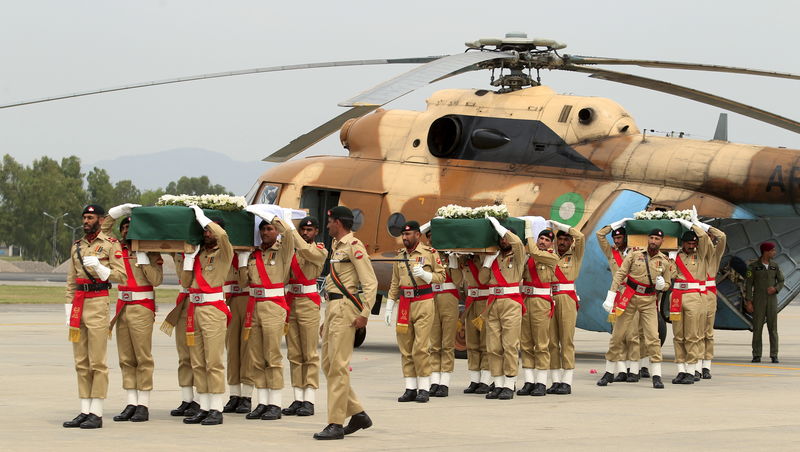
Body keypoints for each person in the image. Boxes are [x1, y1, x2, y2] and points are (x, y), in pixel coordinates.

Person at [314, 206, 377, 440]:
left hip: (346, 310)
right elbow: (332, 282)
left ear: (338, 222)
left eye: (329, 222)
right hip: (333, 309)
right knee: (329, 365)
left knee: (338, 367)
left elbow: (369, 282)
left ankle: (335, 423)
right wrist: (326, 318)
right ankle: (357, 413)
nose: (327, 225)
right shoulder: (336, 247)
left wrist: (365, 313)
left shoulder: (354, 247)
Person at [63, 204, 125, 429]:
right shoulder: (77, 246)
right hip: (79, 303)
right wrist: (68, 307)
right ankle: (84, 409)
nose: (85, 221)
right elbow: (71, 279)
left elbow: (122, 275)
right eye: (84, 218)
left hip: (98, 302)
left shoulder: (110, 244)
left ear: (100, 220)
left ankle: (96, 413)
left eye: (90, 217)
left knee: (97, 361)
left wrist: (102, 269)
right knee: (81, 361)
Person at [103, 203, 163, 423]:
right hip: (122, 307)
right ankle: (131, 401)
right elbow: (103, 232)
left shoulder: (150, 250)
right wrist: (117, 212)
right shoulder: (116, 249)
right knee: (126, 358)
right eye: (124, 227)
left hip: (141, 308)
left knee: (142, 357)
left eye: (131, 227)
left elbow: (157, 280)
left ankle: (143, 404)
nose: (127, 231)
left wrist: (144, 259)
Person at [598, 229, 674, 389]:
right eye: (651, 238)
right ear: (648, 239)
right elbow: (620, 274)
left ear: (662, 242)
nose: (653, 241)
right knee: (617, 335)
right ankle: (609, 372)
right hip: (629, 297)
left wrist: (663, 286)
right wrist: (611, 295)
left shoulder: (665, 261)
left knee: (653, 338)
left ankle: (657, 376)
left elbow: (667, 283)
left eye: (657, 239)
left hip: (648, 300)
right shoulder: (635, 254)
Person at [240, 205, 294, 421]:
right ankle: (262, 402)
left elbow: (289, 233)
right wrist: (244, 262)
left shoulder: (282, 251)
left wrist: (272, 216)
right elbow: (244, 282)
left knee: (272, 356)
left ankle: (275, 403)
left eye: (270, 229)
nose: (265, 232)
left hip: (273, 305)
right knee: (256, 356)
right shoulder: (254, 254)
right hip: (254, 304)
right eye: (263, 229)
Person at [181, 206, 233, 425]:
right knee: (198, 361)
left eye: (210, 230)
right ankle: (203, 406)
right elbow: (185, 283)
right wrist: (188, 260)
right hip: (195, 308)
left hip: (213, 310)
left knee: (213, 361)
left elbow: (222, 236)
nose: (207, 234)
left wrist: (204, 219)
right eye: (205, 231)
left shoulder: (224, 252)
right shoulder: (199, 253)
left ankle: (216, 408)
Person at [384, 221, 445, 403]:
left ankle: (424, 388)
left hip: (424, 301)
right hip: (404, 304)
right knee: (406, 347)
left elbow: (441, 277)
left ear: (418, 235)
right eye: (403, 234)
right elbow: (395, 283)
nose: (404, 238)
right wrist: (388, 306)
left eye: (408, 234)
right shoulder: (400, 256)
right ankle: (410, 388)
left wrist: (426, 276)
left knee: (421, 347)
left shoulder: (430, 254)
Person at [283, 216, 327, 416]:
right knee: (294, 353)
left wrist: (292, 233)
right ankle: (297, 397)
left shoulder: (319, 250)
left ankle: (309, 399)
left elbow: (307, 252)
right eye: (303, 230)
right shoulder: (291, 251)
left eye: (309, 230)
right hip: (291, 300)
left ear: (316, 231)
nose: (305, 233)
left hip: (308, 303)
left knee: (309, 353)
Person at [478, 217, 526, 400]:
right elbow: (483, 280)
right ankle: (498, 384)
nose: (503, 241)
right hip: (493, 303)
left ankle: (509, 383)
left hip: (511, 303)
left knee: (510, 345)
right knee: (493, 346)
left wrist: (499, 227)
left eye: (505, 237)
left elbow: (517, 242)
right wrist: (487, 263)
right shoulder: (493, 257)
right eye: (500, 238)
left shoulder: (518, 254)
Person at [596, 222, 647, 381]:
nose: (617, 241)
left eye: (619, 237)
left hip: (632, 294)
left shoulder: (636, 252)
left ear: (626, 238)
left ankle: (634, 370)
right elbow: (599, 235)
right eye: (615, 238)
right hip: (617, 294)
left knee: (633, 334)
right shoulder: (611, 252)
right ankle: (622, 369)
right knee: (619, 334)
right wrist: (614, 225)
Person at [518, 225, 560, 397]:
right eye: (540, 239)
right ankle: (529, 381)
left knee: (541, 344)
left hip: (542, 302)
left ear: (551, 244)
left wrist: (528, 234)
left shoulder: (551, 257)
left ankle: (541, 382)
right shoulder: (529, 258)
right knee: (526, 343)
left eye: (547, 240)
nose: (543, 242)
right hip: (526, 300)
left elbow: (535, 253)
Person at [669, 218, 710, 385]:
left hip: (694, 296)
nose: (692, 245)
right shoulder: (676, 256)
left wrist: (693, 224)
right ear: (683, 243)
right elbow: (671, 276)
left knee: (692, 335)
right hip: (677, 296)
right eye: (688, 243)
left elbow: (705, 239)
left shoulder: (701, 254)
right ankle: (681, 370)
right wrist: (669, 262)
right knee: (678, 336)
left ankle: (692, 371)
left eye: (694, 242)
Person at [547, 221, 585, 395]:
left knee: (566, 340)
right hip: (550, 297)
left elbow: (581, 236)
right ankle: (555, 380)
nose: (562, 242)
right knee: (552, 341)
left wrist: (560, 225)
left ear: (571, 242)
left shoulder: (575, 255)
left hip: (567, 298)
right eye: (560, 239)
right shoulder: (549, 255)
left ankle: (567, 381)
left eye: (566, 239)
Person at [423, 227, 461, 398]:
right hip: (431, 296)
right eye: (429, 237)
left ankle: (444, 382)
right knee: (433, 342)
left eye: (435, 236)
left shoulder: (450, 255)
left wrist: (454, 265)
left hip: (448, 297)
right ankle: (434, 381)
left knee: (447, 342)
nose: (432, 240)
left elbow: (459, 281)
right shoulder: (426, 254)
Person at [162, 253, 199, 418]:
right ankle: (187, 398)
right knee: (184, 355)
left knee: (199, 356)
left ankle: (200, 399)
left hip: (203, 302)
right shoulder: (178, 252)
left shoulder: (208, 250)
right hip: (184, 302)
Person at [222, 244, 252, 415]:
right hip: (229, 300)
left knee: (247, 350)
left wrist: (243, 258)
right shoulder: (223, 250)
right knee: (232, 349)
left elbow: (244, 280)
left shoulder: (253, 251)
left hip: (249, 299)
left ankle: (246, 395)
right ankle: (234, 394)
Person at [745, 242, 784, 363]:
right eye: (772, 250)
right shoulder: (753, 267)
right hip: (758, 301)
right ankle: (756, 354)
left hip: (772, 301)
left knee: (773, 328)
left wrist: (776, 288)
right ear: (766, 252)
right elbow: (749, 284)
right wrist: (749, 302)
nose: (774, 252)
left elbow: (781, 280)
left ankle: (774, 354)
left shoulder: (775, 266)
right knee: (757, 328)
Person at [459, 253, 492, 394]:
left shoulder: (487, 258)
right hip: (471, 302)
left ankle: (485, 380)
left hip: (484, 302)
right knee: (471, 343)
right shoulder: (465, 259)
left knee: (485, 343)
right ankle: (474, 379)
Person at [700, 223, 727, 378]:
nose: (707, 240)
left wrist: (705, 227)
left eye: (708, 237)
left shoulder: (715, 255)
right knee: (693, 332)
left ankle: (706, 366)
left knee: (707, 333)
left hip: (708, 294)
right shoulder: (693, 255)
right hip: (693, 293)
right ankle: (695, 365)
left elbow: (722, 237)